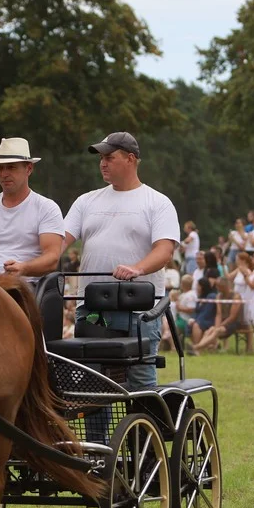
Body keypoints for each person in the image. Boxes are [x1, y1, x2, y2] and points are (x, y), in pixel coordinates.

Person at [64, 131, 179, 392]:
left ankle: (144, 432)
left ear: (130, 159)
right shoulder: (86, 201)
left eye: (109, 157)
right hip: (91, 309)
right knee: (92, 385)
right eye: (101, 158)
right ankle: (97, 435)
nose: (103, 163)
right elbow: (59, 241)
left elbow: (164, 250)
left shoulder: (158, 203)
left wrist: (137, 268)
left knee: (139, 383)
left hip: (139, 312)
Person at [0, 137, 64, 282]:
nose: (4, 174)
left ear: (29, 169)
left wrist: (24, 268)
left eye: (11, 167)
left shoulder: (47, 208)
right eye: (0, 168)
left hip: (27, 288)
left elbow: (52, 258)